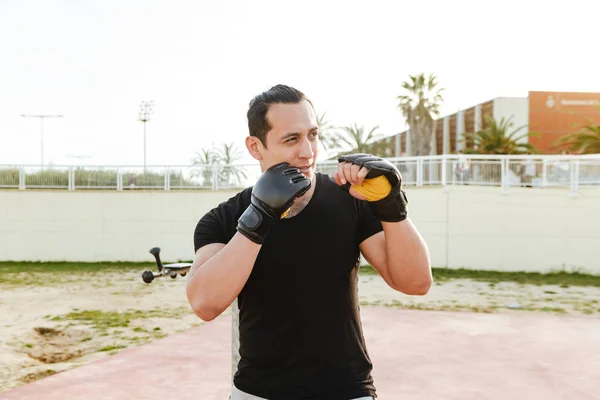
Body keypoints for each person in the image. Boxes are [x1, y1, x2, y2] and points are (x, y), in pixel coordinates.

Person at [186, 84, 432, 399]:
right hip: (259, 391)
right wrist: (259, 217)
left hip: (346, 389)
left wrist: (392, 209)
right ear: (255, 147)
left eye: (312, 135)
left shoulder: (351, 201)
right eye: (291, 139)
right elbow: (204, 304)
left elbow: (416, 283)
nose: (308, 152)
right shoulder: (223, 218)